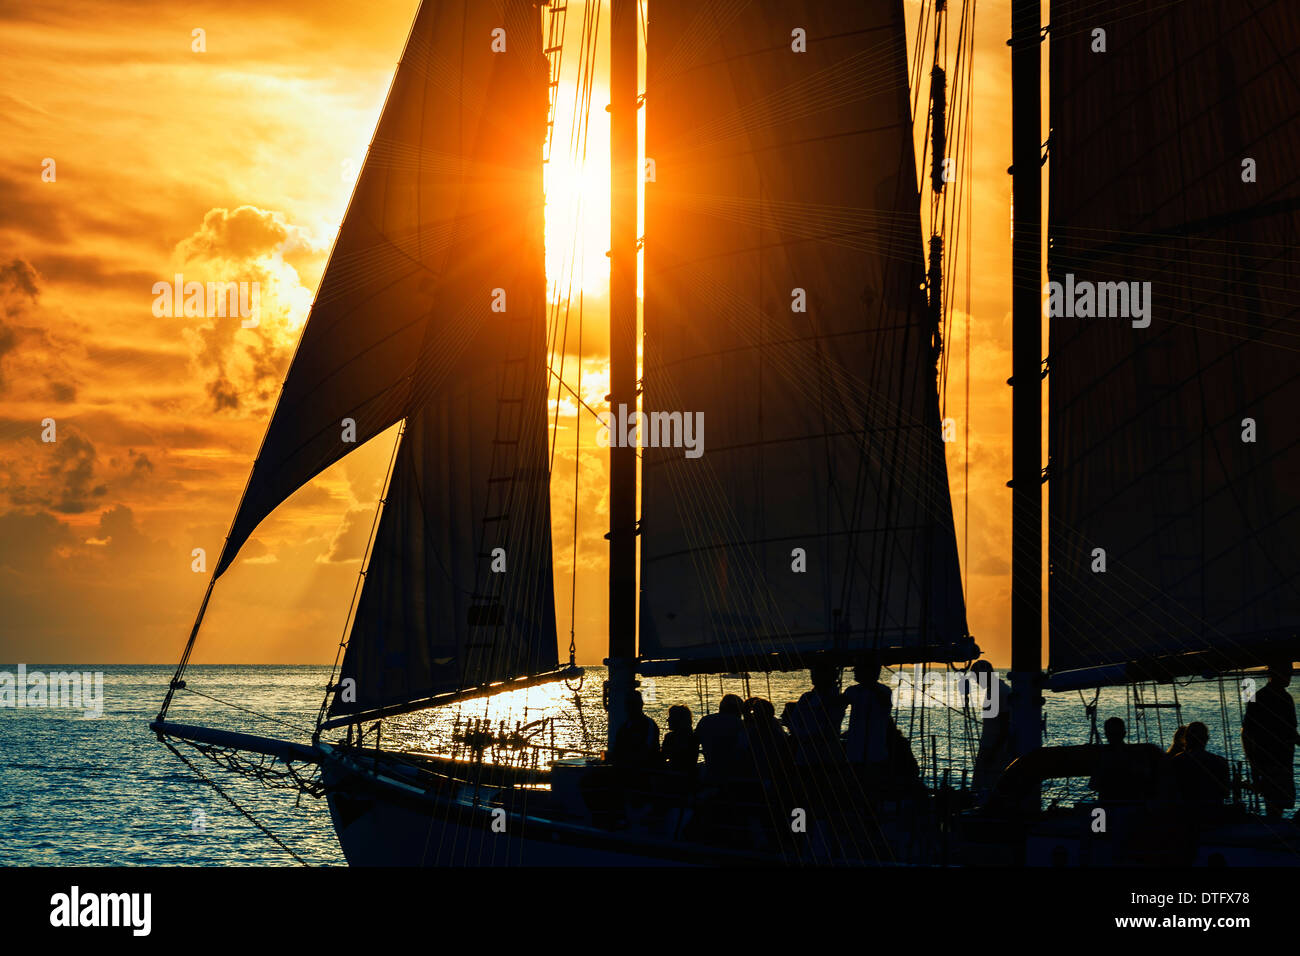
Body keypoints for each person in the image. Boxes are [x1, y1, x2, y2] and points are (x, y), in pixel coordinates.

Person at [1242, 662, 1300, 819]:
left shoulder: (1278, 697)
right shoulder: (1275, 698)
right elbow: (1247, 732)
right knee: (1277, 803)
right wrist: (1253, 762)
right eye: (1287, 675)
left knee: (1277, 804)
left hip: (1275, 761)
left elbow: (1247, 732)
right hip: (1272, 761)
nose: (1290, 679)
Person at [966, 660, 1013, 792]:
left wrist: (993, 752)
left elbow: (1005, 724)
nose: (976, 682)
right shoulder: (994, 690)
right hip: (991, 745)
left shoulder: (999, 691)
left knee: (985, 785)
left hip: (994, 748)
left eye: (976, 677)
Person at [788, 662, 847, 766]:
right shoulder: (806, 697)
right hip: (805, 754)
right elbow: (794, 721)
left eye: (816, 674)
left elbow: (831, 723)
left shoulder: (837, 699)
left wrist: (807, 734)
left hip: (828, 754)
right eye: (812, 674)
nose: (812, 677)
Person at [843, 655, 894, 771]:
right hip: (855, 752)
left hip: (875, 753)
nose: (854, 672)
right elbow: (839, 704)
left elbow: (885, 703)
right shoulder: (852, 691)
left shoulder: (883, 692)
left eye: (858, 669)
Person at [1089, 716, 1157, 802]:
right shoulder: (1136, 755)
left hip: (1109, 802)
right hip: (1131, 803)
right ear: (1124, 734)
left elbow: (1093, 785)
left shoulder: (1102, 757)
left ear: (1106, 735)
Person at [1169, 721, 1229, 810]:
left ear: (1186, 739)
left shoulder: (1176, 761)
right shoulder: (1220, 761)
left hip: (1186, 813)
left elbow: (1171, 792)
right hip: (1214, 811)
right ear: (1206, 738)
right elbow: (1225, 793)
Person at [695, 694, 745, 782]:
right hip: (735, 774)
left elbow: (694, 742)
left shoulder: (705, 720)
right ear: (739, 710)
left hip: (710, 772)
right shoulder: (740, 724)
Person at [611, 689, 660, 768]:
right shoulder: (625, 726)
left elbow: (648, 750)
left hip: (644, 769)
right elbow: (618, 749)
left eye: (632, 704)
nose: (629, 708)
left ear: (640, 705)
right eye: (628, 704)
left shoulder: (649, 725)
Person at [660, 704, 699, 775]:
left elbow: (661, 758)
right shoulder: (694, 737)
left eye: (670, 717)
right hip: (691, 776)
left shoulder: (670, 737)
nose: (667, 720)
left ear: (677, 720)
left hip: (675, 775)